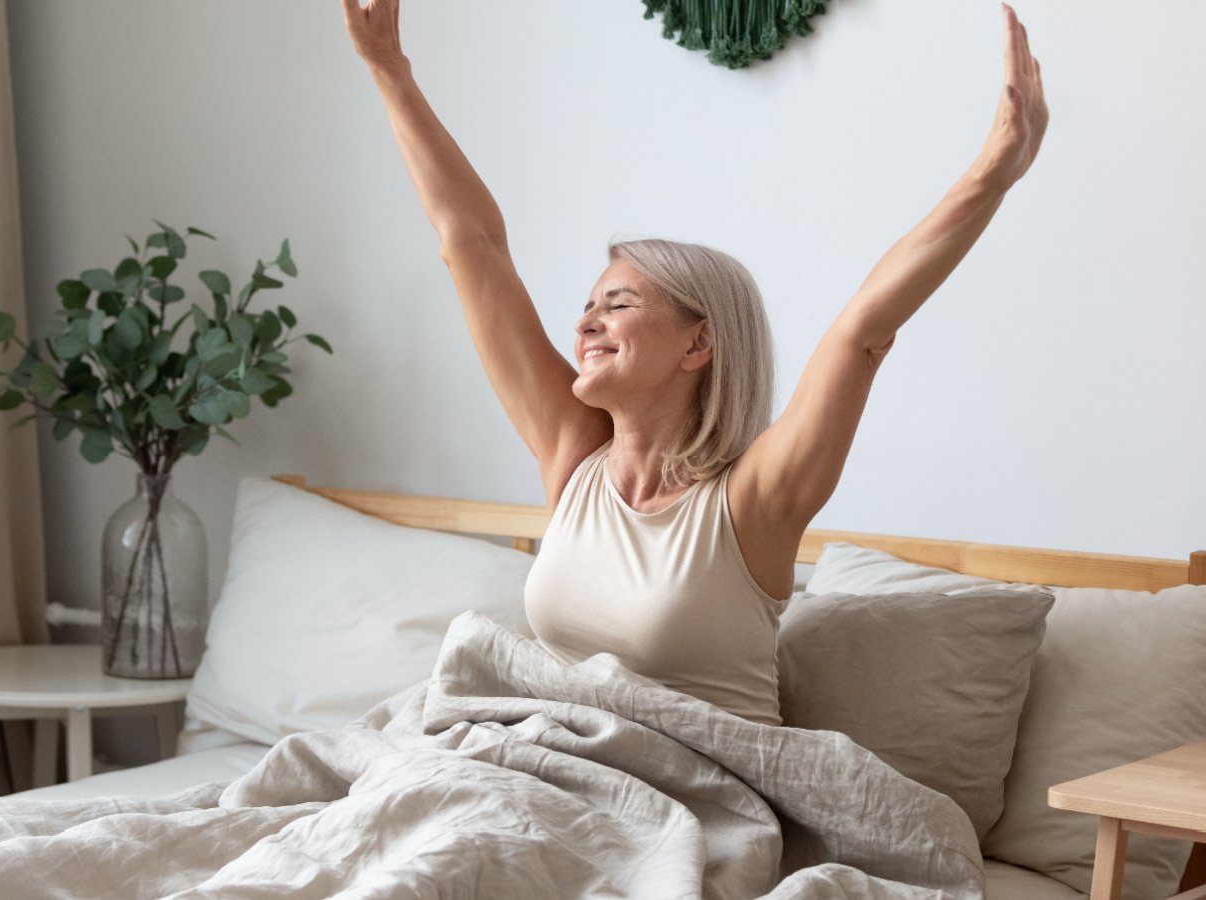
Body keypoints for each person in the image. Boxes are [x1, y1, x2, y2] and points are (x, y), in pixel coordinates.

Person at [343, 0, 1047, 725]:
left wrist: (991, 173)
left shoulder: (754, 502)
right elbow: (473, 244)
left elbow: (862, 331)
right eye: (588, 305)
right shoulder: (573, 456)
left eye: (617, 304)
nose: (586, 322)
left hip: (700, 795)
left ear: (698, 343)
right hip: (552, 765)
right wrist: (390, 71)